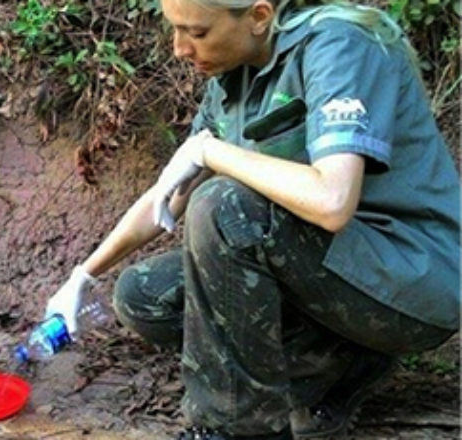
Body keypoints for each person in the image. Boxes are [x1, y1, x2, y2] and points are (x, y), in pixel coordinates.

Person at [44, 0, 460, 438]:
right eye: (176, 30)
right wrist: (83, 275)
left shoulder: (339, 45)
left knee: (225, 207)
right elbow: (168, 195)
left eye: (197, 33)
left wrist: (212, 152)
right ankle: (340, 361)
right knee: (143, 296)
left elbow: (333, 202)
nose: (179, 49)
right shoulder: (233, 78)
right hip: (334, 270)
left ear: (259, 16)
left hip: (410, 280)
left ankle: (239, 428)